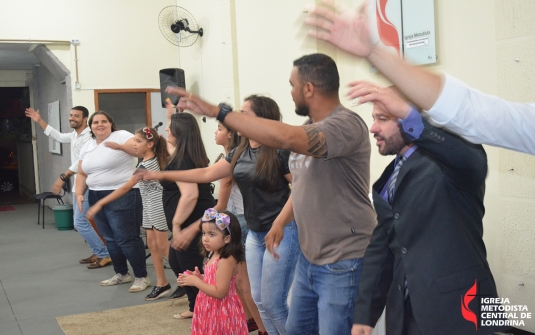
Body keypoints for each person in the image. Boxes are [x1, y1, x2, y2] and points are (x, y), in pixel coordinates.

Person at [164, 53, 376, 335]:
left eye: (292, 85)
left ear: (309, 88)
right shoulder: (306, 130)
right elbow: (300, 186)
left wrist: (220, 112)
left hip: (342, 259)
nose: (290, 92)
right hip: (311, 256)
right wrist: (279, 222)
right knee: (292, 324)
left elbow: (283, 138)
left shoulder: (344, 125)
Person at [351, 83, 506, 335]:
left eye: (383, 118)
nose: (373, 128)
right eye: (374, 118)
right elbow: (383, 249)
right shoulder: (390, 176)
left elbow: (472, 161)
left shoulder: (451, 164)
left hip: (459, 312)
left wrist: (410, 114)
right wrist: (365, 315)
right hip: (406, 315)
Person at [142, 95, 298, 335]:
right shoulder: (240, 151)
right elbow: (206, 174)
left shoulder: (279, 152)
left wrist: (279, 222)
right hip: (256, 234)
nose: (238, 118)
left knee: (274, 304)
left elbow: (300, 190)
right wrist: (160, 175)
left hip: (282, 232)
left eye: (245, 114)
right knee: (258, 301)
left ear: (263, 119)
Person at [305, 1, 535, 155]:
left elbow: (466, 117)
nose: (373, 127)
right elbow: (469, 110)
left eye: (384, 118)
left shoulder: (450, 159)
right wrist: (374, 52)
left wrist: (405, 112)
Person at [86, 127, 172, 300]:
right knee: (153, 245)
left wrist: (101, 203)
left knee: (163, 246)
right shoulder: (144, 161)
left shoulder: (148, 164)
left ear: (150, 144)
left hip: (156, 206)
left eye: (138, 141)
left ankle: (188, 282)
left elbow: (126, 187)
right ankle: (162, 283)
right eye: (134, 141)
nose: (134, 144)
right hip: (147, 206)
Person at [25, 106, 110, 269]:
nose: (72, 118)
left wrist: (62, 177)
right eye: (71, 115)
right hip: (80, 185)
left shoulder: (88, 138)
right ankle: (100, 252)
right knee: (87, 221)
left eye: (76, 116)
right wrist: (39, 120)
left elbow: (80, 163)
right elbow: (57, 136)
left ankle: (104, 253)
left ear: (85, 119)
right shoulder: (74, 135)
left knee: (80, 222)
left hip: (87, 185)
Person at [75, 111, 150, 292]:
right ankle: (121, 274)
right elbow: (82, 173)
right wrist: (79, 193)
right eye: (95, 122)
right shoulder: (88, 145)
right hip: (95, 195)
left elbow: (139, 150)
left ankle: (142, 276)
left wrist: (118, 147)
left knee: (127, 238)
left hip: (123, 194)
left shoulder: (122, 135)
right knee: (110, 238)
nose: (99, 125)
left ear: (111, 123)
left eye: (104, 121)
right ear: (90, 126)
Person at [160, 110, 216, 319]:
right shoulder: (183, 155)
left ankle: (205, 312)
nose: (166, 129)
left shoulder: (183, 160)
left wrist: (176, 225)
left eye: (170, 127)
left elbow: (190, 195)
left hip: (191, 221)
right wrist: (170, 116)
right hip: (189, 220)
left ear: (179, 132)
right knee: (177, 262)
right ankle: (196, 307)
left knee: (190, 268)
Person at [212, 121, 265, 334]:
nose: (216, 132)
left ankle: (263, 328)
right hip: (238, 219)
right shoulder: (236, 158)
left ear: (230, 134)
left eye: (220, 129)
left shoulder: (234, 160)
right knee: (240, 282)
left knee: (244, 283)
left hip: (239, 220)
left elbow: (221, 205)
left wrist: (207, 219)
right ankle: (251, 319)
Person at [178, 208, 248, 335]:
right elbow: (217, 280)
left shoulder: (226, 260)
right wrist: (201, 278)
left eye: (212, 234)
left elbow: (220, 292)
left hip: (221, 312)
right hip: (211, 308)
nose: (205, 238)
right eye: (204, 233)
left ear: (227, 238)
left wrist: (196, 282)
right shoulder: (214, 254)